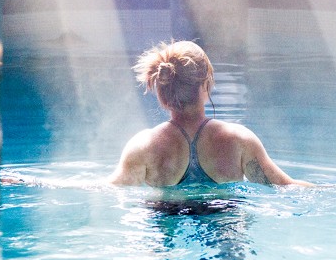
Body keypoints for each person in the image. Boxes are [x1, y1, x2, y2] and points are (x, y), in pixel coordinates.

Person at [109, 40, 312, 187]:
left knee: (158, 243)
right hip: (223, 213)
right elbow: (286, 187)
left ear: (161, 92)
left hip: (164, 212)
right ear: (205, 85)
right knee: (231, 240)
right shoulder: (238, 140)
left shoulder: (144, 146)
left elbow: (112, 189)